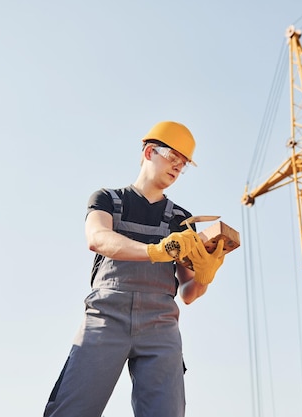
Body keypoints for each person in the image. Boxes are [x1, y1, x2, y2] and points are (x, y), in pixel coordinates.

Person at [44, 121, 226, 417]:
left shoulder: (182, 220)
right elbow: (98, 238)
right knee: (70, 410)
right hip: (106, 318)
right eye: (173, 158)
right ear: (150, 151)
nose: (178, 168)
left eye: (183, 165)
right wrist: (156, 251)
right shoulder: (107, 200)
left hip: (161, 326)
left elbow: (189, 293)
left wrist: (205, 276)